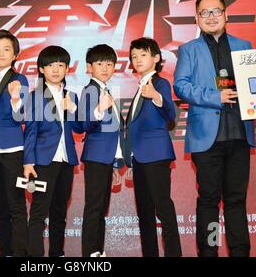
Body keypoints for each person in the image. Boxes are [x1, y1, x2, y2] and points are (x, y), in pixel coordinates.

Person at [174, 0, 256, 257]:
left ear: (226, 14)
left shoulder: (244, 47)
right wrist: (214, 96)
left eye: (216, 11)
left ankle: (240, 252)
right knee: (209, 200)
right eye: (205, 13)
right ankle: (208, 252)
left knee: (236, 200)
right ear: (197, 18)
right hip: (206, 138)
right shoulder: (188, 50)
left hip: (239, 135)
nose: (211, 17)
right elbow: (181, 86)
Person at [23, 45, 83, 257]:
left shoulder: (72, 96)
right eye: (50, 65)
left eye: (60, 65)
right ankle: (35, 257)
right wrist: (28, 162)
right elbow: (30, 131)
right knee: (39, 211)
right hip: (43, 161)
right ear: (41, 69)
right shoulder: (34, 96)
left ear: (67, 68)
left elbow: (79, 128)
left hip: (66, 160)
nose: (56, 70)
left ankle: (58, 254)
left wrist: (73, 110)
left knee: (59, 212)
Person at [124, 37, 181, 257]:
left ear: (156, 58)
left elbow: (170, 114)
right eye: (134, 56)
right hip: (139, 158)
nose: (137, 60)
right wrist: (130, 158)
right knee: (144, 213)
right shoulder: (140, 88)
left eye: (143, 55)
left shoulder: (160, 83)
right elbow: (134, 127)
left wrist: (156, 96)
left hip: (157, 155)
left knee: (163, 208)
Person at [0, 29, 29, 257]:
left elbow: (21, 117)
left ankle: (21, 255)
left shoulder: (19, 79)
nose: (0, 54)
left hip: (12, 150)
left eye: (6, 49)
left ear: (15, 55)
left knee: (16, 205)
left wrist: (15, 99)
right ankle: (6, 252)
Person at [79, 44, 124, 257]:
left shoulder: (106, 91)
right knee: (94, 208)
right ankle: (91, 253)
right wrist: (99, 108)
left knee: (101, 210)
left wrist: (115, 163)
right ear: (89, 67)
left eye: (109, 63)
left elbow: (113, 130)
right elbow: (85, 124)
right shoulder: (90, 90)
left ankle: (98, 251)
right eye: (99, 63)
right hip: (96, 157)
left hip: (106, 159)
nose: (105, 68)